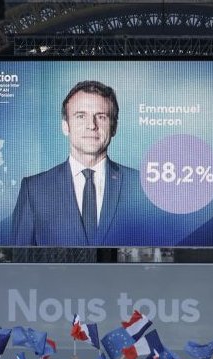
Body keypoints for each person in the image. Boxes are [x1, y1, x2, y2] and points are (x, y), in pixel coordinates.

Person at [11, 80, 142, 246]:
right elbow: (21, 261)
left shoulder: (140, 186)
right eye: (81, 116)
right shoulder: (34, 189)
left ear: (113, 126)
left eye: (101, 117)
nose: (91, 125)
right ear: (65, 126)